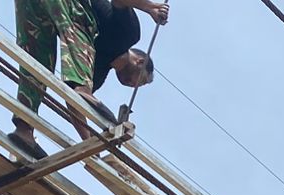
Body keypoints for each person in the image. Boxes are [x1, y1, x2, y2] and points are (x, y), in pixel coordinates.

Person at [10, 0, 169, 159]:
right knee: (84, 30)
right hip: (72, 5)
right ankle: (88, 98)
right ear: (140, 62)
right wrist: (151, 8)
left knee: (37, 65)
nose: (133, 85)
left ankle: (24, 129)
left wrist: (91, 149)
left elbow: (73, 103)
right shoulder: (129, 34)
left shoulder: (96, 74)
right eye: (140, 80)